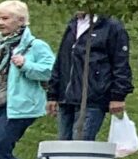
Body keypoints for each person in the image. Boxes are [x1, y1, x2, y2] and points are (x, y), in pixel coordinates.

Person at [0, 3, 55, 159]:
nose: (0, 23)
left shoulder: (35, 46)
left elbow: (51, 71)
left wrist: (26, 65)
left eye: (5, 18)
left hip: (20, 107)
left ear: (21, 21)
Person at [49, 10, 132, 145]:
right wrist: (53, 94)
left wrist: (118, 96)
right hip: (66, 98)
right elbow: (62, 59)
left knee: (80, 146)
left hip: (92, 98)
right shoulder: (73, 25)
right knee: (63, 146)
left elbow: (120, 62)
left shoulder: (111, 27)